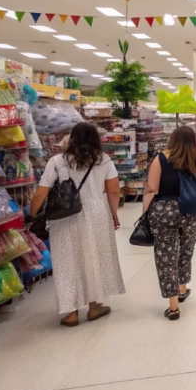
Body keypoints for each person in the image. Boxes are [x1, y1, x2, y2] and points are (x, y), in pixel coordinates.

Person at [30, 122, 125, 327]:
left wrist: (33, 213)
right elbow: (114, 190)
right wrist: (114, 214)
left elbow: (42, 191)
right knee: (92, 257)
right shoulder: (104, 161)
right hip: (96, 213)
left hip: (66, 213)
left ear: (71, 139)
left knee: (66, 261)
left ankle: (71, 312)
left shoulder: (57, 161)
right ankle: (94, 306)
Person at [142, 126, 196, 321]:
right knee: (185, 249)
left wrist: (145, 213)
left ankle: (173, 307)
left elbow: (151, 188)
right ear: (194, 141)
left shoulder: (160, 159)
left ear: (172, 140)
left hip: (163, 211)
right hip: (192, 212)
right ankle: (183, 288)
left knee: (166, 257)